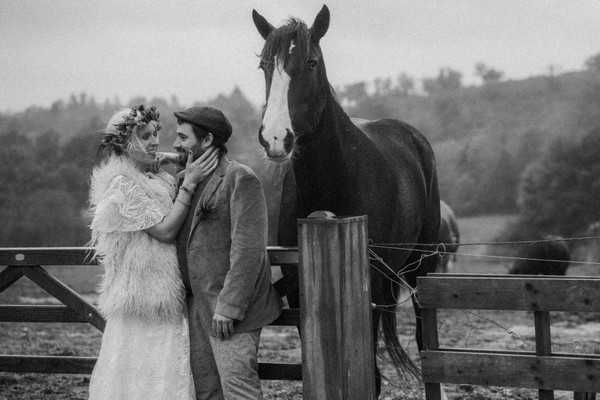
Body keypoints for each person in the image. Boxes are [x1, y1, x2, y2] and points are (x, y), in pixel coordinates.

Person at [88, 105, 218, 400]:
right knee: (138, 376)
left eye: (156, 134)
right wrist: (189, 184)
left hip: (167, 294)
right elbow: (165, 231)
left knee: (166, 373)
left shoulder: (155, 177)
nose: (155, 141)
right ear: (124, 143)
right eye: (146, 136)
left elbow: (195, 159)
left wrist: (172, 159)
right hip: (141, 298)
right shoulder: (122, 185)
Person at [173, 106, 282, 400]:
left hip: (231, 312)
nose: (175, 144)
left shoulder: (240, 179)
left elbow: (248, 249)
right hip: (197, 308)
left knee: (239, 392)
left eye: (182, 138)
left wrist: (229, 307)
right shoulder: (186, 180)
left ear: (207, 140)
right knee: (207, 393)